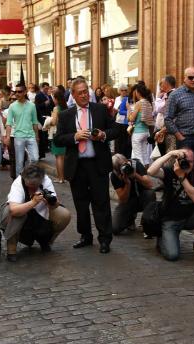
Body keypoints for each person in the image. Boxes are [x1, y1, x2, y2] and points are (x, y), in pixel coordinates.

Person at [54, 77, 120, 254]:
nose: (84, 95)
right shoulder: (65, 115)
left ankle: (105, 238)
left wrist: (103, 135)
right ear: (73, 95)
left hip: (97, 163)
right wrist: (74, 137)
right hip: (77, 166)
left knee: (101, 202)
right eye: (80, 92)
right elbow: (58, 139)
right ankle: (85, 236)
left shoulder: (100, 109)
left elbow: (115, 130)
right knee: (81, 204)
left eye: (86, 91)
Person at [147, 148, 194, 261]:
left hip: (190, 216)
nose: (187, 164)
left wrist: (181, 177)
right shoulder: (170, 171)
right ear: (178, 160)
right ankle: (162, 236)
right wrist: (170, 154)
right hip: (171, 219)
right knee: (172, 255)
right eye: (184, 160)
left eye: (190, 161)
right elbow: (150, 171)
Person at [0, 164, 72, 262]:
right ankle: (11, 248)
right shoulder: (18, 183)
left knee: (64, 214)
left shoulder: (46, 181)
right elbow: (14, 210)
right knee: (13, 212)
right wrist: (33, 202)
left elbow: (55, 204)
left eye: (35, 186)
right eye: (29, 186)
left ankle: (46, 241)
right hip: (21, 219)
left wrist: (52, 204)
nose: (33, 189)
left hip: (40, 218)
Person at [165, 67, 194, 194]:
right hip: (185, 139)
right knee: (185, 169)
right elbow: (168, 119)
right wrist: (179, 136)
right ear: (184, 78)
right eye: (190, 77)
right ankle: (184, 198)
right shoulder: (175, 95)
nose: (193, 80)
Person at [110, 154, 156, 235]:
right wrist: (127, 184)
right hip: (129, 201)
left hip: (143, 197)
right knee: (115, 228)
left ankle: (145, 222)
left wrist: (135, 175)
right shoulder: (114, 175)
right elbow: (123, 199)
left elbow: (149, 185)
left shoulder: (136, 164)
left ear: (127, 161)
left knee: (150, 193)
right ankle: (130, 219)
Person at [6, 82, 40, 174]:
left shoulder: (32, 106)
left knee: (35, 159)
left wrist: (37, 136)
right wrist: (8, 137)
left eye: (20, 92)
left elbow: (34, 122)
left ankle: (30, 177)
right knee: (19, 162)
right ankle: (19, 183)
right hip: (19, 136)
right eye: (15, 92)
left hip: (31, 135)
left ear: (25, 92)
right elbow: (8, 123)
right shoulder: (12, 106)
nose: (17, 94)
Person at [128, 82, 155, 165]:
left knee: (138, 156)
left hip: (138, 132)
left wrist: (129, 109)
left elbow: (132, 119)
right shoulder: (148, 102)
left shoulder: (139, 103)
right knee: (145, 154)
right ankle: (146, 171)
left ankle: (141, 175)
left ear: (138, 92)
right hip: (146, 132)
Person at [47, 86, 68, 182]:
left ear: (56, 99)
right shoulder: (66, 107)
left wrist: (48, 121)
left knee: (58, 157)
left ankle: (60, 178)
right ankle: (63, 177)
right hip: (64, 133)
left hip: (56, 133)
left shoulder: (56, 108)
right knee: (63, 157)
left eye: (53, 98)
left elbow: (54, 122)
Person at [153, 76, 176, 156]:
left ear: (166, 83)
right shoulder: (168, 94)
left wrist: (158, 98)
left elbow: (160, 109)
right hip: (165, 129)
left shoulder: (172, 94)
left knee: (167, 155)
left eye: (161, 83)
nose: (160, 86)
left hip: (168, 131)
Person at [35, 82, 54, 157]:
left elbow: (51, 104)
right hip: (42, 115)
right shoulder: (38, 95)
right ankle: (45, 147)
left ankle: (47, 145)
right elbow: (37, 106)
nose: (47, 90)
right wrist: (44, 104)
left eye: (47, 88)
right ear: (42, 88)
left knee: (48, 131)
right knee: (44, 131)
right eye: (45, 88)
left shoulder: (48, 96)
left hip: (48, 115)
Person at [112, 84, 131, 158]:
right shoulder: (118, 99)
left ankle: (125, 156)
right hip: (119, 121)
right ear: (119, 91)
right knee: (118, 140)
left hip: (127, 121)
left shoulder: (129, 98)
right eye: (122, 90)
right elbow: (116, 108)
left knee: (126, 140)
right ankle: (118, 156)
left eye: (125, 90)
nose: (123, 92)